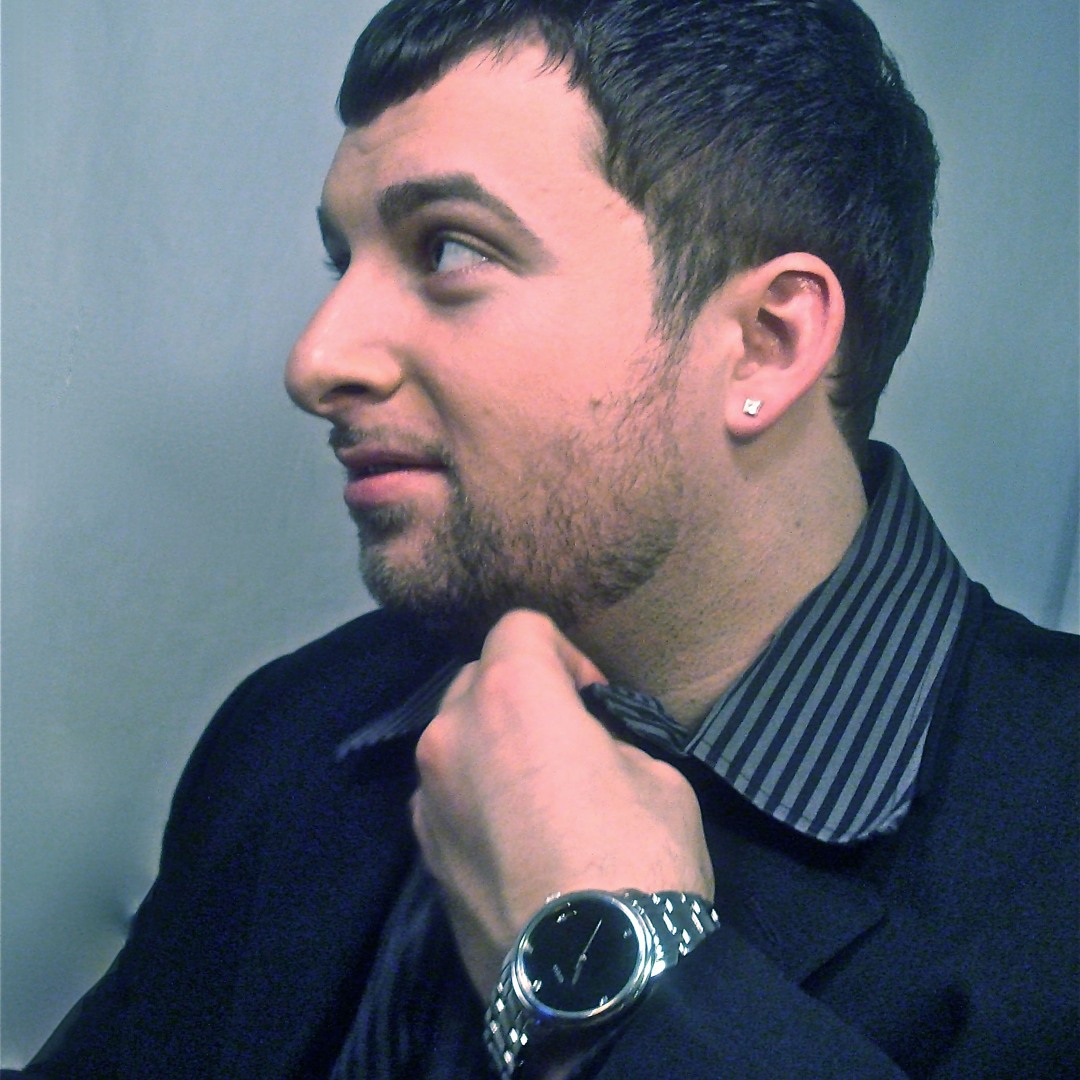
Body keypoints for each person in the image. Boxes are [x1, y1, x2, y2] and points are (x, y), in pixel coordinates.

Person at [7, 0, 1076, 1077]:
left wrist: (622, 986)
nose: (316, 360)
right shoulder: (296, 729)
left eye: (448, 248)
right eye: (345, 261)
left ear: (765, 343)